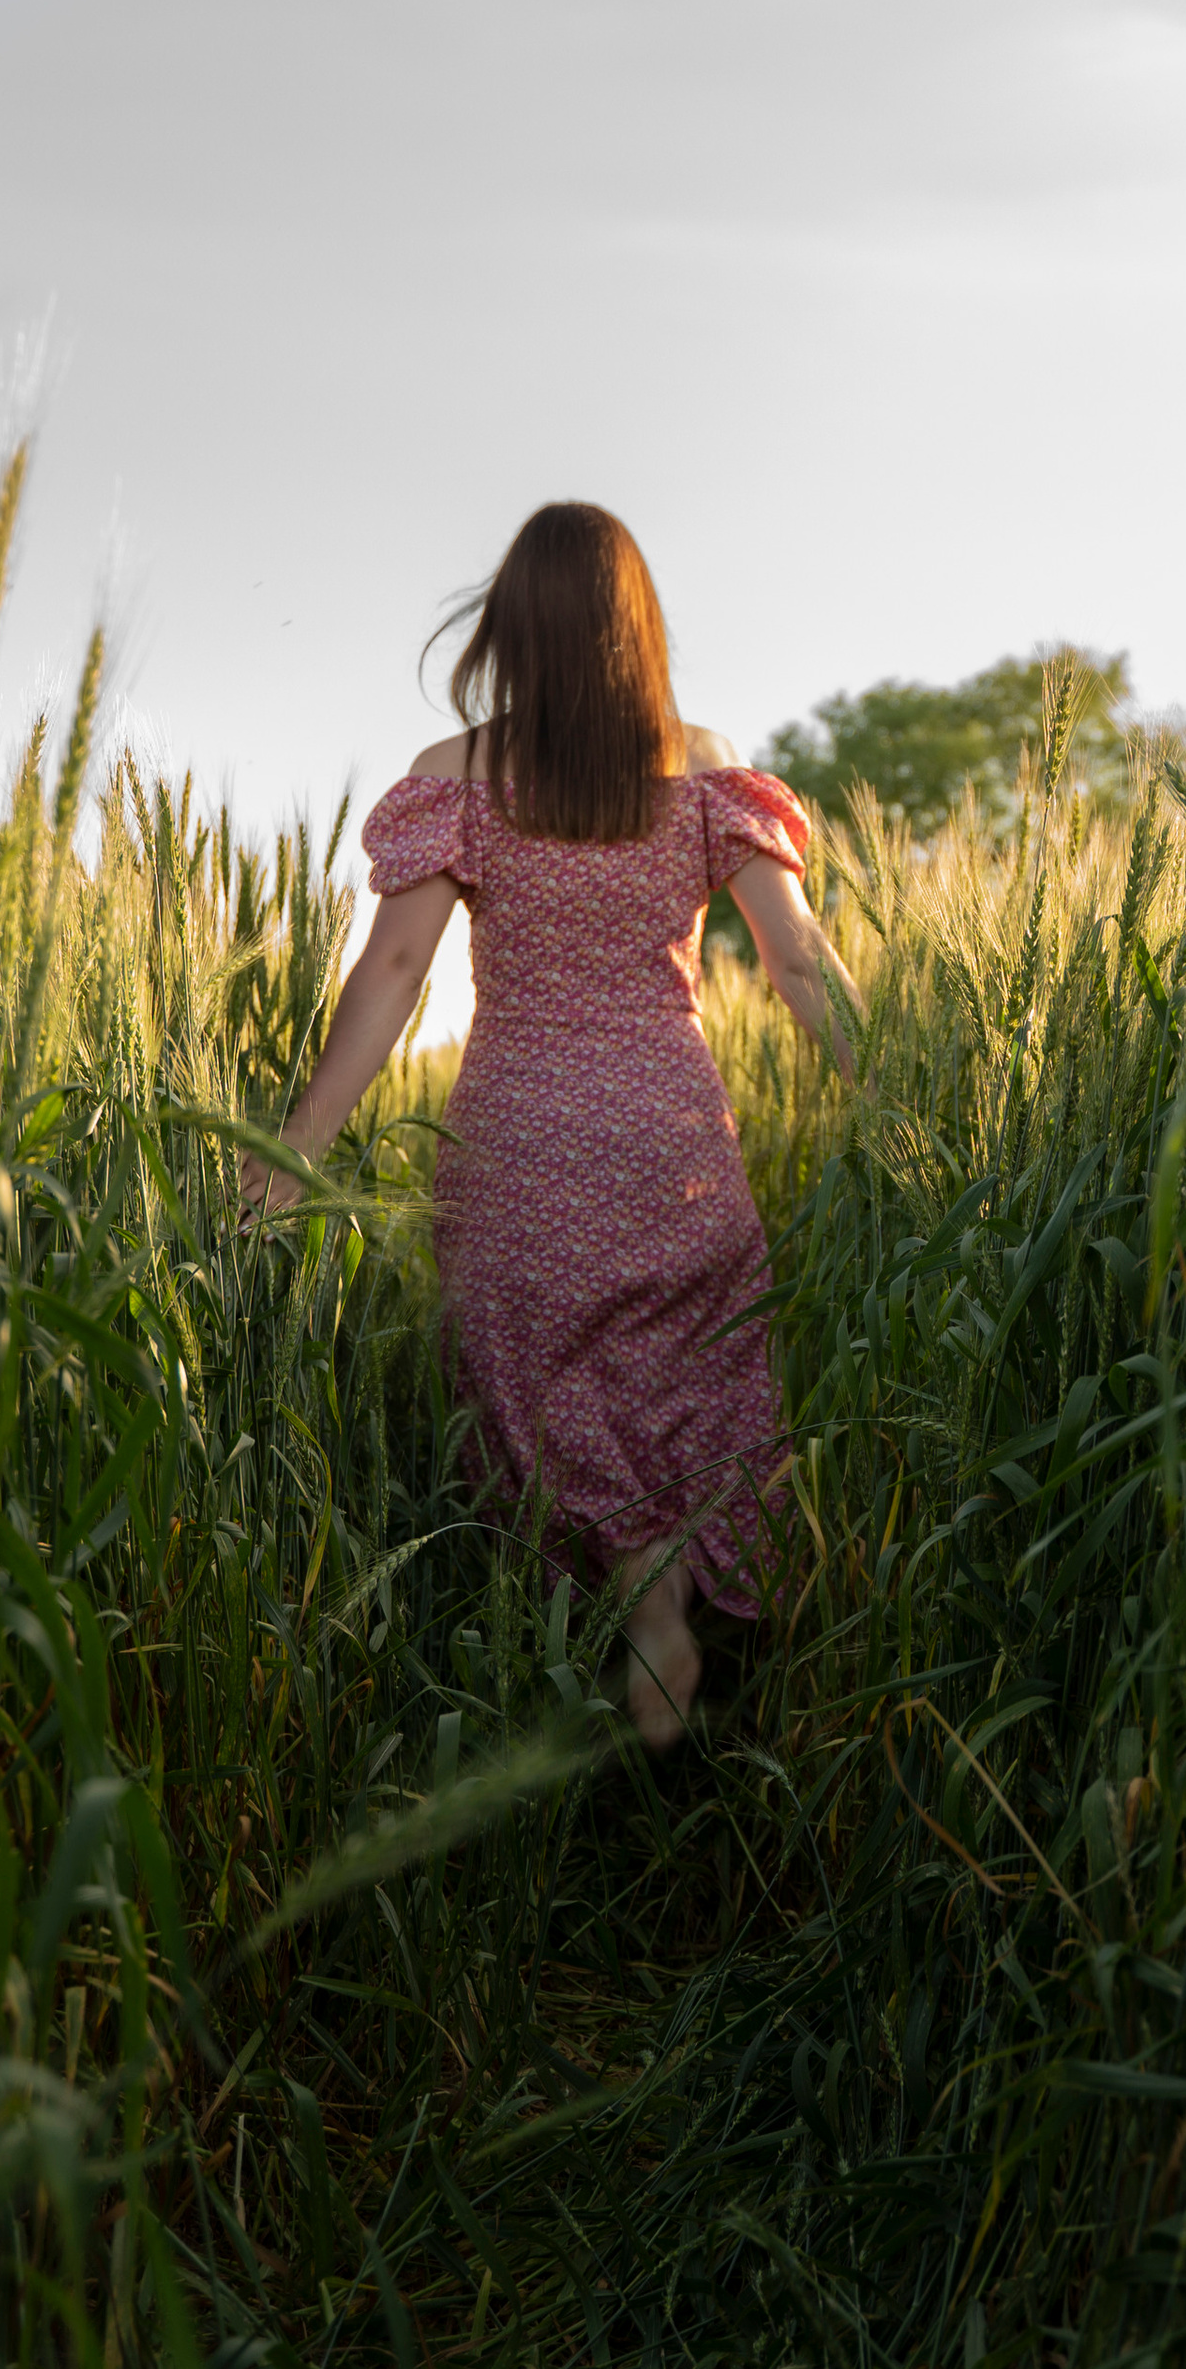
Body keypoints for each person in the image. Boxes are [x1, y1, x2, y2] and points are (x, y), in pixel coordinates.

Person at [240, 500, 858, 1746]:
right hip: (669, 1135)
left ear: (509, 624)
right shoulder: (705, 768)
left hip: (516, 1143)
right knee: (689, 1377)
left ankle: (632, 1628)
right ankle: (675, 1618)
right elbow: (798, 965)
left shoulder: (449, 779)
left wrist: (292, 1152)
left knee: (545, 1388)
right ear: (639, 623)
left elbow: (394, 976)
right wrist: (894, 1096)